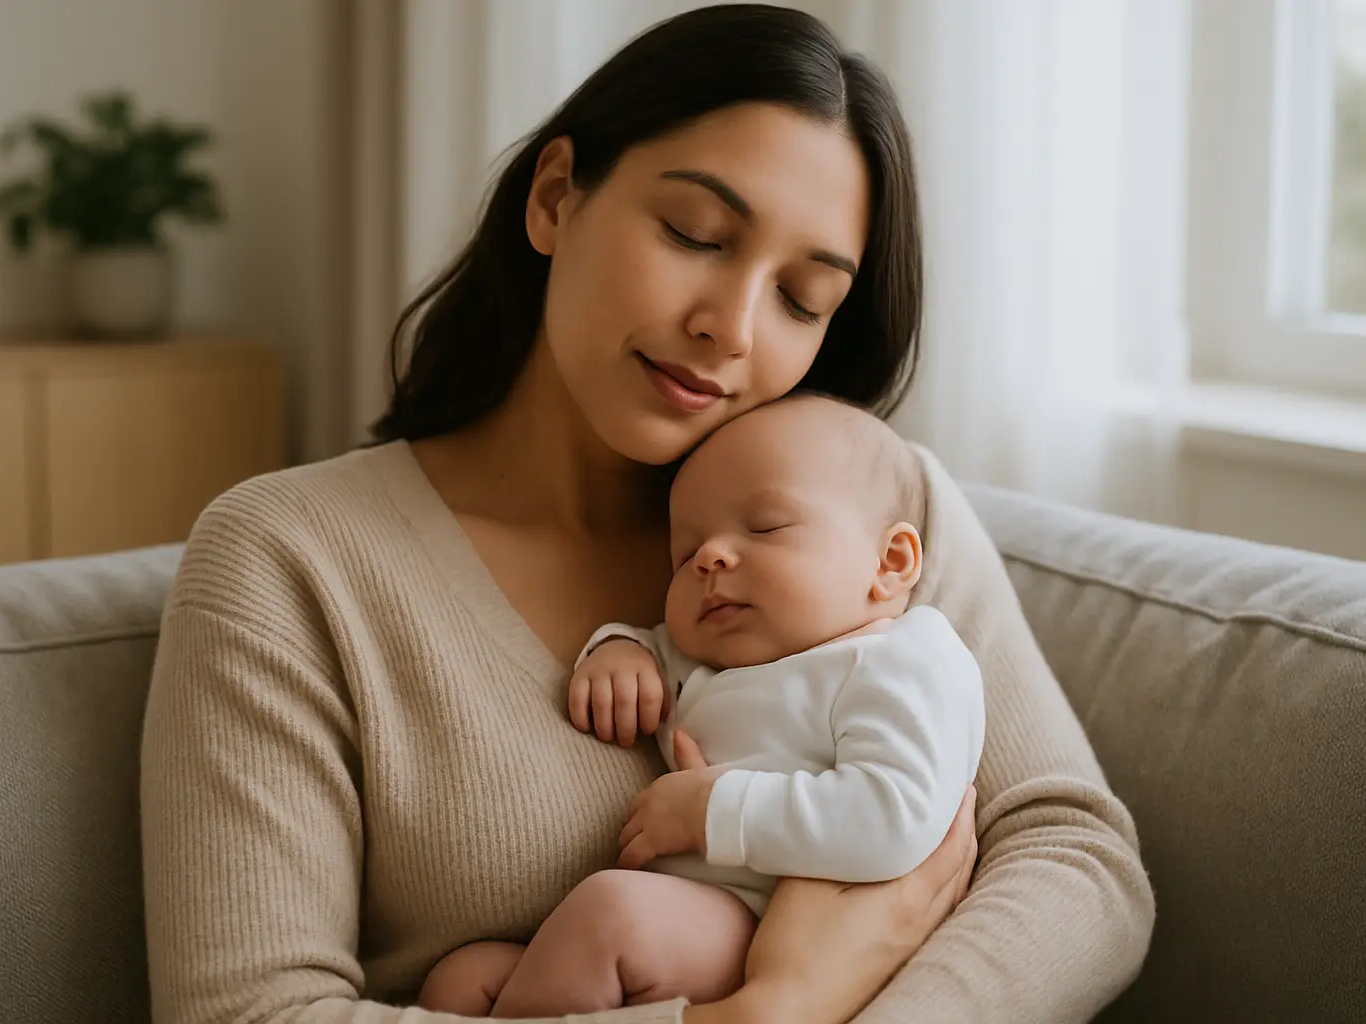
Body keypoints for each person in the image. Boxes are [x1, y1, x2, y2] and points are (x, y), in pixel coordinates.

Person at [139, 6, 1155, 1024]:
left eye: (803, 298)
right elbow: (250, 1013)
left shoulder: (879, 518)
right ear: (553, 199)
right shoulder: (290, 560)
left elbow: (1076, 857)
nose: (733, 327)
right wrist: (766, 1015)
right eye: (694, 234)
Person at [417, 395, 987, 1017]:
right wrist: (617, 652)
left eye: (766, 526)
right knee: (462, 980)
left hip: (778, 922)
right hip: (698, 918)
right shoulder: (711, 660)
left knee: (609, 916)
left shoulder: (902, 658)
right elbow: (655, 647)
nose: (710, 557)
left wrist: (712, 811)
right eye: (684, 555)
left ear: (890, 562)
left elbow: (894, 815)